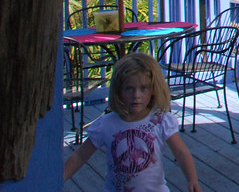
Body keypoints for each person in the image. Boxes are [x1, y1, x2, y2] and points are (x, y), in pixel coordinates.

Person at [64, 52, 202, 192]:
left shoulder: (160, 120)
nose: (136, 95)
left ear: (153, 89)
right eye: (129, 89)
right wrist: (59, 179)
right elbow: (80, 155)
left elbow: (181, 152)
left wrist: (193, 180)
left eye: (143, 88)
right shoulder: (106, 124)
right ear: (118, 90)